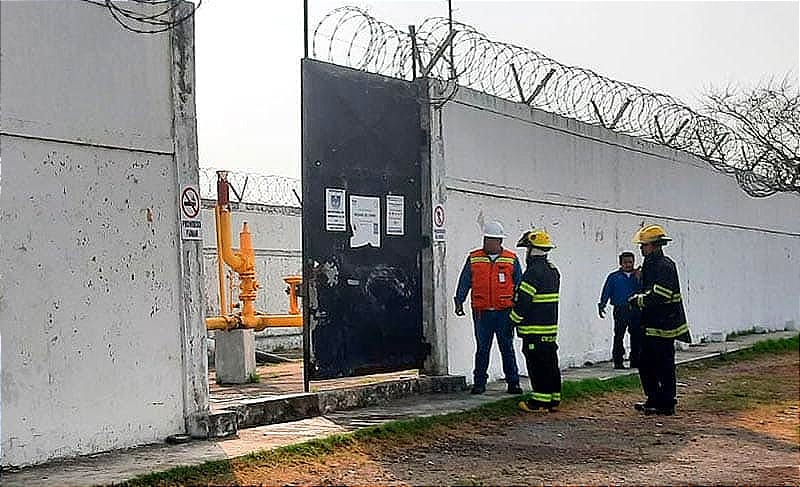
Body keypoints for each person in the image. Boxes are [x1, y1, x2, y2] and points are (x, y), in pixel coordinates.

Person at [627, 224, 691, 416]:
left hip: (664, 324)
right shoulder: (650, 264)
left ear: (655, 246)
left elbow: (660, 295)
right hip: (651, 323)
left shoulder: (664, 266)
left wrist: (637, 300)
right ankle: (653, 398)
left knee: (663, 364)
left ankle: (666, 402)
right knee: (646, 363)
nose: (641, 248)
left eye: (644, 245)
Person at [454, 221, 524, 395]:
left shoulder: (511, 259)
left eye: (492, 240)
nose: (488, 243)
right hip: (481, 311)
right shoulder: (474, 258)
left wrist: (519, 308)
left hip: (505, 312)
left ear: (499, 241)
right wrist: (459, 300)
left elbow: (519, 284)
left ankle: (513, 383)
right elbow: (465, 281)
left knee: (507, 348)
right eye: (486, 239)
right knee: (482, 349)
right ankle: (479, 383)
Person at [510, 229, 561, 413]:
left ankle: (539, 402)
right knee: (550, 363)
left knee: (537, 365)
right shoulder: (553, 270)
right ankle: (553, 399)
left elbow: (524, 301)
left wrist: (512, 320)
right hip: (549, 329)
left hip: (534, 330)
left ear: (532, 250)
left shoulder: (532, 273)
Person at [598, 252, 642, 369]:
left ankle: (635, 360)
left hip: (636, 309)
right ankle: (618, 360)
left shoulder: (639, 275)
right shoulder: (614, 277)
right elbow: (606, 291)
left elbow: (644, 290)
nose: (628, 265)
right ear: (620, 263)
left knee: (636, 336)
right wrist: (602, 304)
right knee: (619, 335)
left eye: (630, 262)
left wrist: (640, 278)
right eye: (625, 262)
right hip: (620, 309)